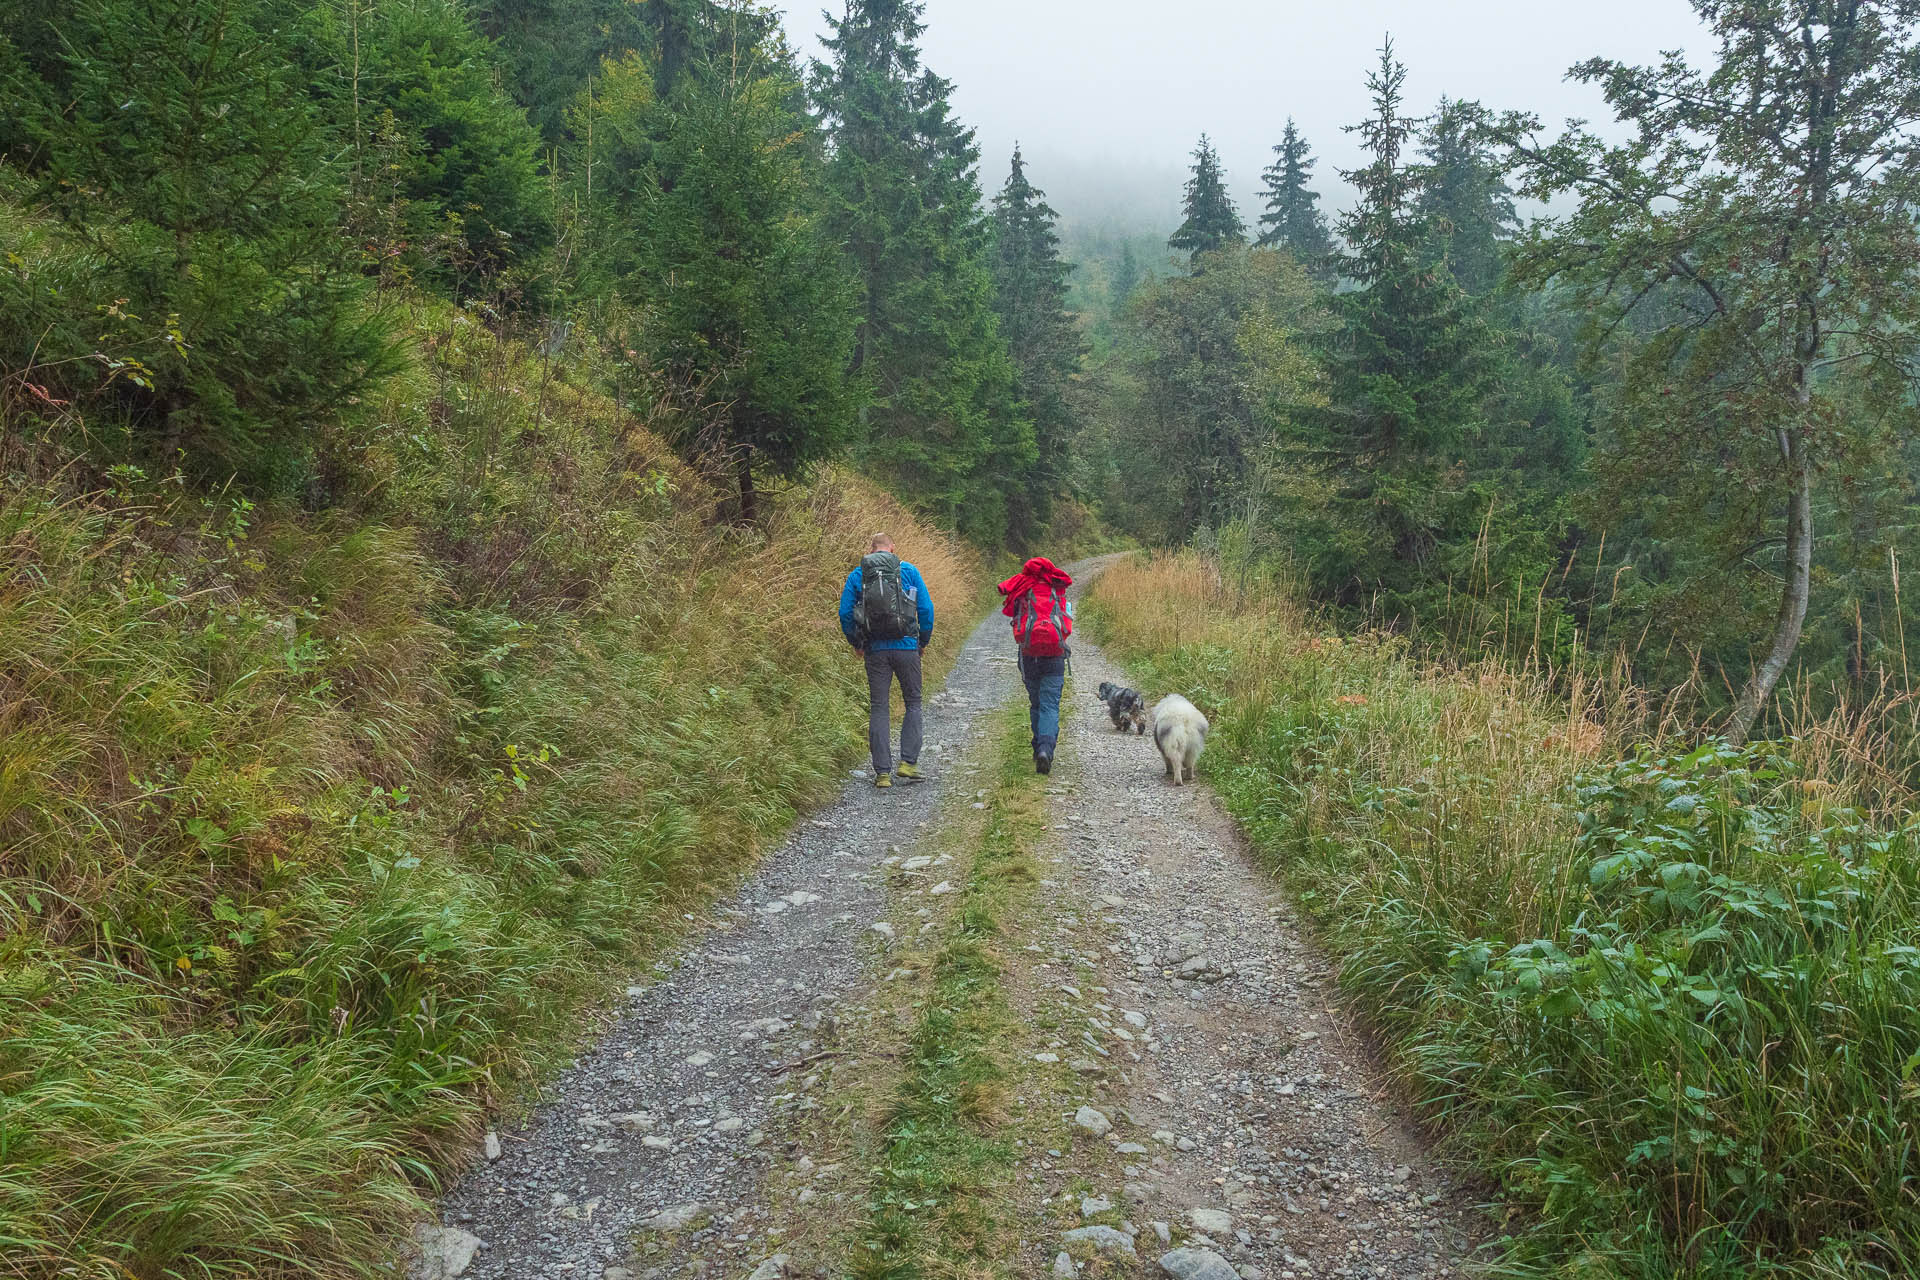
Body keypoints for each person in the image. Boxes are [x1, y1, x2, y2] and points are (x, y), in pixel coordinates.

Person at [840, 534, 935, 789]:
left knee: (879, 707)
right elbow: (926, 609)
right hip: (907, 647)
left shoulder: (858, 575)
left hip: (876, 651)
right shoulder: (909, 570)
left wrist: (857, 643)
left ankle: (882, 774)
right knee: (913, 703)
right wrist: (922, 641)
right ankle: (908, 763)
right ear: (893, 548)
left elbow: (845, 613)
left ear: (871, 549)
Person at [997, 556, 1074, 774]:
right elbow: (1067, 621)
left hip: (1029, 654)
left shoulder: (1023, 585)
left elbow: (1010, 611)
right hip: (1055, 655)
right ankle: (1045, 750)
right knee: (1050, 705)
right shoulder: (1057, 587)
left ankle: (1037, 746)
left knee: (1036, 702)